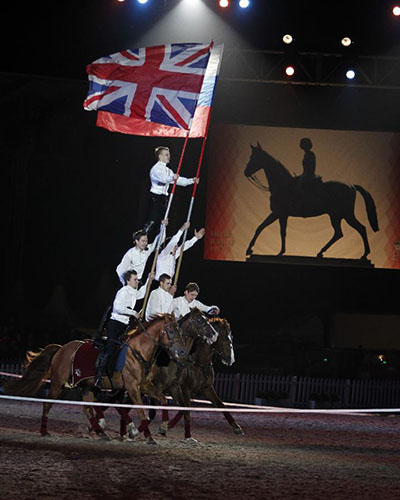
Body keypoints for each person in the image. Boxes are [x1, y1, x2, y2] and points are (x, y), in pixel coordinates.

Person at [94, 269, 154, 388]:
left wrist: (149, 280)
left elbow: (142, 293)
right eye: (135, 279)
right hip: (115, 323)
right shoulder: (123, 291)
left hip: (125, 325)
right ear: (128, 281)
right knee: (110, 349)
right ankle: (99, 376)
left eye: (137, 279)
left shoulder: (133, 292)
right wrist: (133, 313)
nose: (137, 281)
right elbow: (117, 308)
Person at [143, 146, 199, 234]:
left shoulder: (168, 170)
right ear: (160, 156)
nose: (168, 156)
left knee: (164, 222)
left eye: (168, 155)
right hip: (155, 198)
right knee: (153, 220)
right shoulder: (156, 169)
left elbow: (179, 180)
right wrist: (172, 178)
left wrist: (191, 180)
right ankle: (143, 236)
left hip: (164, 198)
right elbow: (163, 178)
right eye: (166, 155)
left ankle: (159, 244)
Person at [116, 219, 168, 285]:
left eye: (146, 241)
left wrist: (163, 227)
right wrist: (125, 283)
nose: (145, 243)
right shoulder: (130, 253)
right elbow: (121, 270)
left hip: (139, 281)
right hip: (129, 281)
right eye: (143, 241)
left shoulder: (147, 249)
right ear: (137, 241)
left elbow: (159, 240)